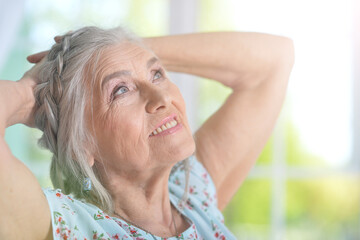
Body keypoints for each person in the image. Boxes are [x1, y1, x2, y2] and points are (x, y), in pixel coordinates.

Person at [0, 26, 294, 240]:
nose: (161, 98)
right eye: (121, 90)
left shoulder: (193, 197)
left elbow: (276, 59)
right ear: (82, 144)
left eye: (157, 73)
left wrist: (124, 45)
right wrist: (28, 92)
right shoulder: (67, 226)